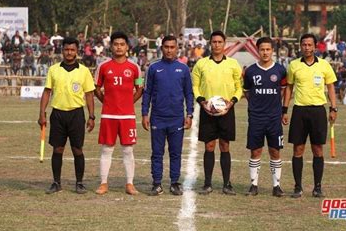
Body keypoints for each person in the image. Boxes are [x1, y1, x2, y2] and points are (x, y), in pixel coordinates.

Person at [282, 33, 337, 198]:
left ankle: (317, 187)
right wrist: (284, 110)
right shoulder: (293, 65)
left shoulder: (324, 65)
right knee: (298, 149)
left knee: (317, 149)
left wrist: (333, 108)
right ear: (300, 46)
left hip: (318, 111)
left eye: (309, 45)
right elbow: (289, 88)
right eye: (304, 45)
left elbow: (331, 87)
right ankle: (298, 187)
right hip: (299, 110)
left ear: (315, 46)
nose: (306, 47)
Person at [38, 37, 95, 194]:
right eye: (66, 50)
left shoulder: (84, 71)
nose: (69, 53)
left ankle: (80, 183)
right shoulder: (53, 70)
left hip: (76, 114)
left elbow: (89, 94)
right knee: (58, 149)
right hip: (58, 114)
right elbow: (47, 91)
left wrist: (91, 116)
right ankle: (56, 182)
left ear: (77, 51)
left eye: (72, 50)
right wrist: (42, 113)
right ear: (62, 51)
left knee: (77, 149)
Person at [142, 35, 194, 196]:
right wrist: (145, 113)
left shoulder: (184, 68)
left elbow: (188, 93)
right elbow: (147, 92)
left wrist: (189, 113)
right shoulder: (153, 68)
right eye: (166, 47)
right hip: (158, 117)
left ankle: (174, 182)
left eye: (172, 47)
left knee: (175, 152)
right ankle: (156, 183)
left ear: (177, 48)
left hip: (177, 117)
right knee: (157, 152)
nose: (169, 50)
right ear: (161, 48)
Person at [192, 31, 242, 195]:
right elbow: (195, 86)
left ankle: (227, 184)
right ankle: (207, 184)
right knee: (209, 145)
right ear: (210, 43)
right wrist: (202, 102)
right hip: (208, 110)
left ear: (225, 43)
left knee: (225, 145)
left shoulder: (233, 64)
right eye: (214, 42)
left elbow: (239, 87)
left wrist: (231, 102)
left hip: (227, 110)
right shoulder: (201, 64)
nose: (217, 45)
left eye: (220, 42)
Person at [93, 32, 143, 195]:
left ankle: (129, 184)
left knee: (128, 150)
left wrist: (129, 102)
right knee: (107, 149)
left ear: (127, 47)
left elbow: (140, 88)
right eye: (116, 44)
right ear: (111, 46)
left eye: (122, 44)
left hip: (127, 116)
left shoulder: (135, 67)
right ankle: (103, 183)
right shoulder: (103, 66)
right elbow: (96, 88)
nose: (119, 47)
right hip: (109, 115)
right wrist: (106, 101)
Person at [243, 37, 287, 197]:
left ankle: (277, 186)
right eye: (262, 49)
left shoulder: (280, 70)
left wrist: (279, 108)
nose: (265, 52)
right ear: (258, 51)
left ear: (272, 51)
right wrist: (256, 104)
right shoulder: (251, 71)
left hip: (274, 118)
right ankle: (253, 185)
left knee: (275, 151)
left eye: (268, 49)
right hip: (256, 117)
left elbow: (283, 90)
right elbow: (247, 92)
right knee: (255, 151)